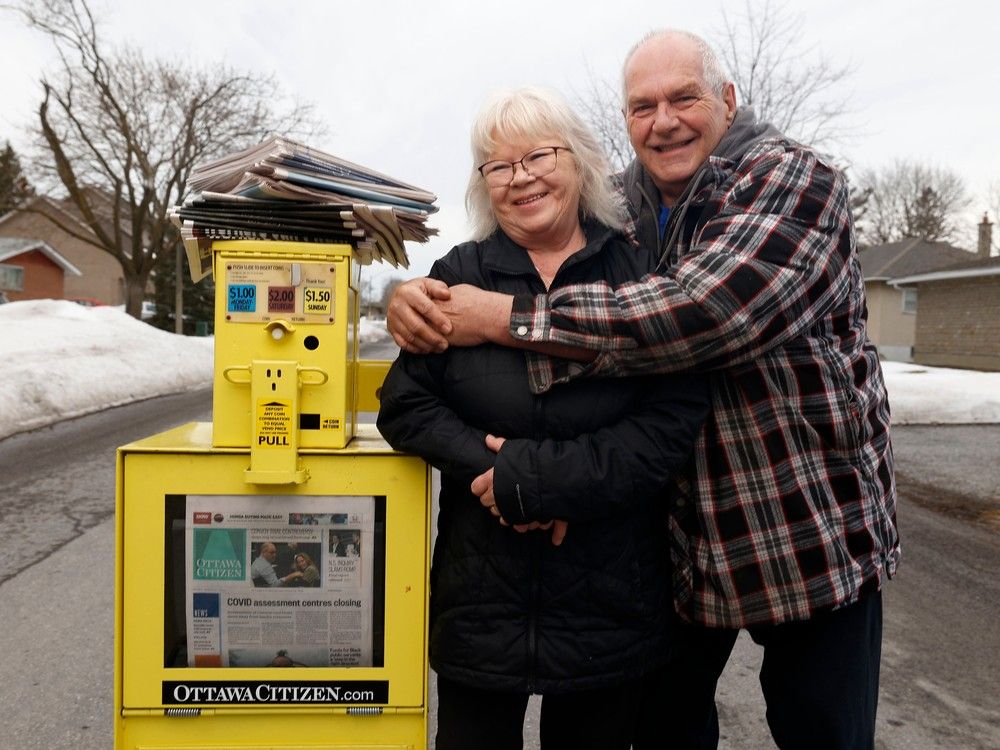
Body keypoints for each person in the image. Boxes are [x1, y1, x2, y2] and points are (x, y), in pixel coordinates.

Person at [387, 30, 898, 750]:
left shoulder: (791, 179)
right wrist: (406, 297)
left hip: (800, 523)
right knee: (666, 732)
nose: (664, 122)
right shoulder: (625, 210)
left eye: (684, 98)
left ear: (727, 99)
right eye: (641, 107)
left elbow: (702, 313)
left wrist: (504, 319)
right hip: (685, 539)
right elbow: (414, 391)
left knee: (823, 731)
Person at [377, 86, 708, 750]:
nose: (520, 177)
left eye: (538, 156)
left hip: (608, 606)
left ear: (579, 160)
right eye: (499, 166)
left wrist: (548, 481)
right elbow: (405, 404)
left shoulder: (639, 275)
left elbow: (670, 422)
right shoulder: (460, 273)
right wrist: (499, 475)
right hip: (481, 600)